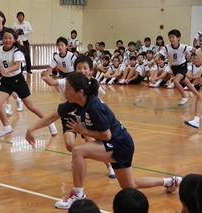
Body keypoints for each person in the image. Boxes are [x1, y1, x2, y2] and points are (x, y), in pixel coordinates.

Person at [25, 72, 182, 210]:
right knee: (130, 186)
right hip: (118, 143)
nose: (65, 92)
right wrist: (31, 129)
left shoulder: (94, 107)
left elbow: (106, 135)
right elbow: (53, 116)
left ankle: (77, 195)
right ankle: (170, 181)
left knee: (78, 151)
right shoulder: (75, 102)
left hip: (120, 144)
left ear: (80, 92)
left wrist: (84, 131)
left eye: (68, 89)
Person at [0, 28, 58, 137]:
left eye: (10, 38)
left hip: (18, 80)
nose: (7, 40)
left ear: (14, 39)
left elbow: (17, 66)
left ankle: (50, 123)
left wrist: (6, 70)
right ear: (2, 39)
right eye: (5, 38)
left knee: (31, 106)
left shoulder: (17, 51)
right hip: (6, 81)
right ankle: (7, 127)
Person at [42, 55, 115, 178]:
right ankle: (78, 155)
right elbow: (53, 82)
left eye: (85, 68)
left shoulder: (94, 84)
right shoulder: (69, 80)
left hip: (86, 118)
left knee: (93, 143)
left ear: (91, 70)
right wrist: (45, 76)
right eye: (79, 68)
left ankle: (110, 167)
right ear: (75, 69)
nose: (82, 70)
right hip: (71, 117)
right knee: (70, 144)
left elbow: (98, 102)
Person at [184, 33, 202, 128]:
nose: (201, 43)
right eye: (201, 41)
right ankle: (196, 120)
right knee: (200, 96)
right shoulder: (199, 52)